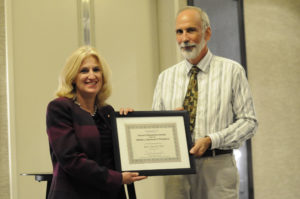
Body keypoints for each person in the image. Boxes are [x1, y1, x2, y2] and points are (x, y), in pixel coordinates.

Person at [152, 6, 258, 199]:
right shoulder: (165, 78)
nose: (184, 38)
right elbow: (155, 127)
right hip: (176, 172)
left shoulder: (232, 71)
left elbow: (249, 122)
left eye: (191, 30)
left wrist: (211, 140)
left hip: (217, 167)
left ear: (207, 32)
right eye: (179, 32)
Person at [46, 46, 146, 199]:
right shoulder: (59, 108)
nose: (92, 76)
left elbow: (121, 156)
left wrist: (128, 124)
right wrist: (117, 179)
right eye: (84, 71)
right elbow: (71, 160)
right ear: (72, 77)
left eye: (96, 70)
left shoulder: (106, 112)